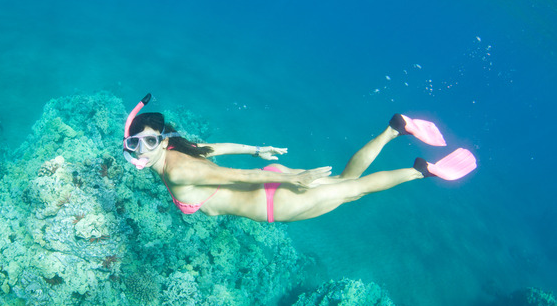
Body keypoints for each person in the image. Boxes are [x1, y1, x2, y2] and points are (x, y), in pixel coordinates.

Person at [123, 94, 477, 223]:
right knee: (344, 184)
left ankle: (423, 171)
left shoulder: (179, 169)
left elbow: (238, 176)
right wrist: (257, 151)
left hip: (278, 199)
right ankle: (394, 129)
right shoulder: (176, 152)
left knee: (356, 191)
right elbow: (218, 149)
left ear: (162, 141)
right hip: (274, 183)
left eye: (148, 141)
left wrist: (289, 181)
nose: (140, 149)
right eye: (133, 144)